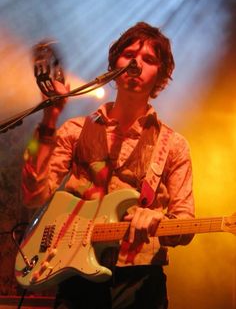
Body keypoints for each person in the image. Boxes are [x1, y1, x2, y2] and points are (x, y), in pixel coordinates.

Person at [22, 22, 195, 309]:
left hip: (140, 282)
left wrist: (159, 222)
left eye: (149, 59)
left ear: (160, 75)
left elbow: (186, 225)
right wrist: (48, 120)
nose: (136, 63)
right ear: (115, 62)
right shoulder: (74, 130)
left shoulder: (173, 145)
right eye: (128, 54)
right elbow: (33, 196)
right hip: (75, 274)